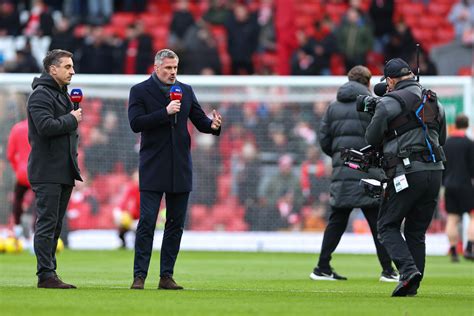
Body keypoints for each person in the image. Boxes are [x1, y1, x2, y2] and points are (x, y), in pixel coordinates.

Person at [128, 48, 222, 290]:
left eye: (175, 68)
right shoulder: (139, 91)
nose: (172, 73)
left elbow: (200, 121)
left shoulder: (186, 91)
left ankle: (166, 276)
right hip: (152, 167)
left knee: (175, 224)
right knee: (147, 222)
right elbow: (135, 123)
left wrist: (213, 125)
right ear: (156, 67)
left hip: (180, 167)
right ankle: (139, 276)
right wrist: (164, 112)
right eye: (168, 68)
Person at [365, 58, 446, 296]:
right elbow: (442, 139)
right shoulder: (433, 99)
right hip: (435, 172)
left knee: (386, 225)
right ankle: (412, 285)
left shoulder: (389, 102)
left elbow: (371, 138)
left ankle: (408, 271)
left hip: (408, 171)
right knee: (415, 231)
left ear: (390, 80)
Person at [310, 66, 397, 282]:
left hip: (343, 171)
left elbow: (324, 140)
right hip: (368, 170)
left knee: (336, 222)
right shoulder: (373, 105)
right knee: (379, 222)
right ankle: (388, 270)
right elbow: (382, 135)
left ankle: (322, 267)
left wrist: (341, 158)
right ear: (368, 83)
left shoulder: (333, 107)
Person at [27, 49, 83, 289]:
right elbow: (45, 126)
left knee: (55, 225)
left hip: (62, 170)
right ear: (52, 69)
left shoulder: (62, 94)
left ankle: (50, 272)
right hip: (47, 170)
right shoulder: (40, 95)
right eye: (67, 67)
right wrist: (72, 118)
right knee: (47, 223)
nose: (72, 71)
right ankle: (45, 275)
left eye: (72, 67)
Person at [443, 114, 474, 261]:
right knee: (473, 216)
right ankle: (469, 248)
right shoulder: (469, 143)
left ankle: (454, 250)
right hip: (466, 185)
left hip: (449, 185)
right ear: (467, 125)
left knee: (452, 218)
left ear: (455, 124)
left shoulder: (447, 143)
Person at [7, 118, 31, 238]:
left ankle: (17, 228)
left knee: (18, 198)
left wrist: (18, 168)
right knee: (41, 201)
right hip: (39, 171)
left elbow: (10, 154)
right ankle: (37, 231)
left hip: (22, 172)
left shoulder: (17, 128)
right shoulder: (40, 126)